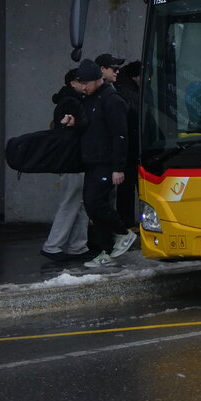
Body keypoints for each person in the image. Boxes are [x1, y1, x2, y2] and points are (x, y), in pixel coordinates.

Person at [74, 59, 138, 268]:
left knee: (96, 203)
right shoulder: (91, 99)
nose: (84, 87)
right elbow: (91, 125)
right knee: (93, 206)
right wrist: (74, 122)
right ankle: (105, 250)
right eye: (81, 83)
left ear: (98, 79)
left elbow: (120, 135)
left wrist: (118, 168)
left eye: (87, 83)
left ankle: (122, 232)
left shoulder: (112, 101)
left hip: (106, 163)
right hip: (93, 161)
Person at [40, 68, 91, 262]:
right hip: (73, 160)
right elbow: (79, 127)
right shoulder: (72, 102)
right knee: (72, 203)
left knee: (77, 204)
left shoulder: (68, 101)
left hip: (71, 160)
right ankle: (54, 245)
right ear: (73, 83)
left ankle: (77, 246)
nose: (85, 85)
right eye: (82, 81)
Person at [113, 60, 141, 229]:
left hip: (129, 147)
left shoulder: (123, 90)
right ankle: (127, 222)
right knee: (128, 186)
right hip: (131, 148)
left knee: (126, 188)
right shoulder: (128, 94)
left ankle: (126, 222)